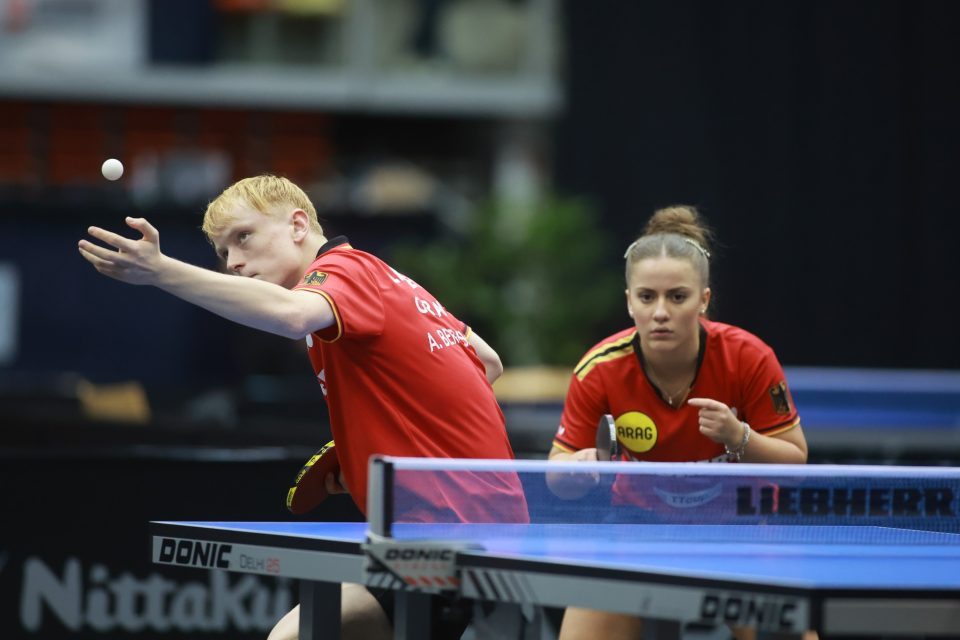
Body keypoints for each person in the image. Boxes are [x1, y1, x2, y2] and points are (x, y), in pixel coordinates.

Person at [78, 174, 526, 640]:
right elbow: (487, 362)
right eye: (223, 251)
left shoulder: (342, 272)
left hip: (451, 529)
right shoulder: (392, 281)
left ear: (297, 225)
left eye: (243, 237)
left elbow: (291, 317)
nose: (233, 261)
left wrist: (161, 271)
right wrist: (381, 439)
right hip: (459, 521)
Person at [547, 205, 812, 640]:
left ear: (703, 301)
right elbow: (556, 472)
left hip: (741, 526)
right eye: (647, 297)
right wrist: (577, 468)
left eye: (677, 296)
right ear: (629, 301)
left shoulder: (749, 358)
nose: (661, 312)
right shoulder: (599, 370)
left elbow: (795, 463)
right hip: (637, 527)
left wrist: (738, 436)